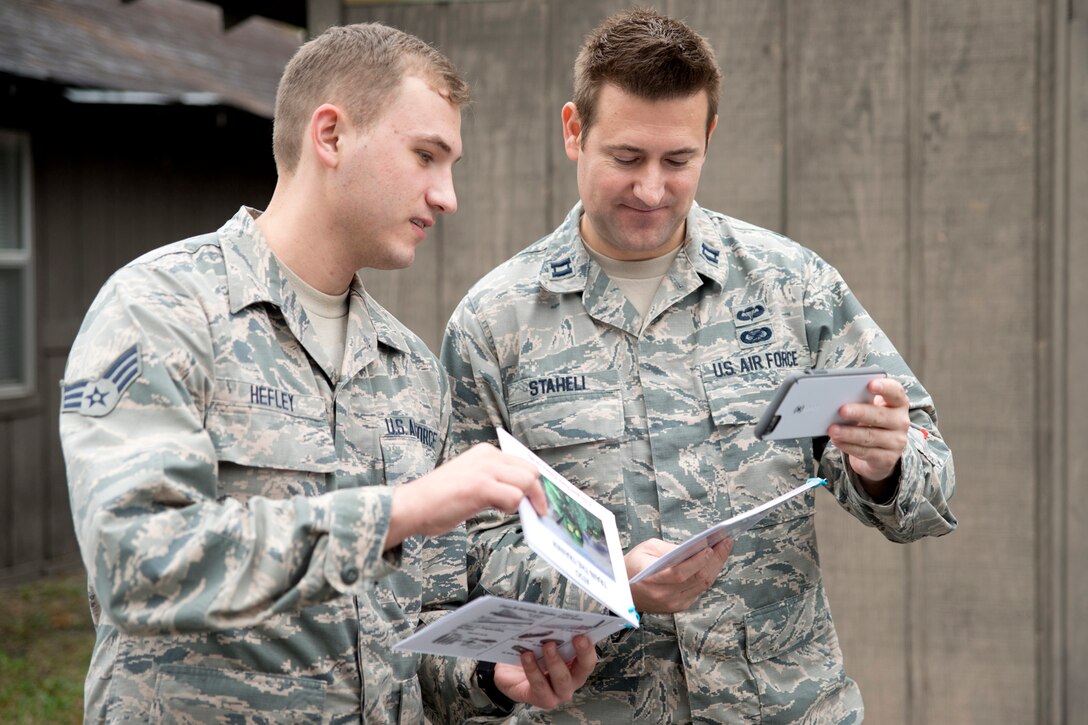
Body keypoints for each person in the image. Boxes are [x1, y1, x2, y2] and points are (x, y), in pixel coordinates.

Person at [59, 23, 595, 724]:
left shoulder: (411, 372)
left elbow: (418, 634)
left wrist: (489, 678)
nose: (447, 196)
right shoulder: (163, 309)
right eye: (426, 156)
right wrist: (394, 512)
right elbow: (135, 562)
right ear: (332, 136)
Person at [440, 8, 956, 723]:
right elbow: (459, 548)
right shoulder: (492, 325)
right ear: (573, 131)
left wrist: (885, 465)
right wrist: (606, 583)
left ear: (709, 138)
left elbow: (930, 484)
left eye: (677, 161)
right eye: (626, 158)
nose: (652, 189)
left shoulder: (789, 286)